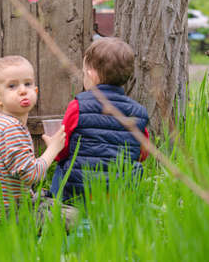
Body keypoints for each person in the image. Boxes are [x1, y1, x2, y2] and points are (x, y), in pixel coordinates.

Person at [0, 55, 75, 223]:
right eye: (12, 86)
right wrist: (53, 149)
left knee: (44, 199)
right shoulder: (11, 130)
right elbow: (31, 175)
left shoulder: (2, 123)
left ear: (35, 91)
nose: (23, 90)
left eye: (28, 84)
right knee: (73, 216)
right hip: (1, 216)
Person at [50, 37, 150, 202]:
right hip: (119, 191)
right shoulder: (138, 112)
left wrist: (52, 148)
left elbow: (63, 150)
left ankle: (58, 206)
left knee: (63, 166)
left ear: (90, 75)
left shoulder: (78, 105)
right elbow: (142, 154)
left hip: (79, 189)